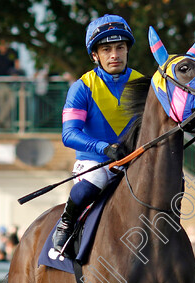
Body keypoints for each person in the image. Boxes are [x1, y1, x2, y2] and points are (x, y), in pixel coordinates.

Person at [53, 14, 142, 254]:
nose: (114, 55)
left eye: (120, 47)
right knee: (94, 183)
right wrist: (104, 148)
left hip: (133, 161)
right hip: (95, 162)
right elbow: (69, 134)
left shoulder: (143, 84)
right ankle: (66, 222)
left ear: (126, 50)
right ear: (95, 55)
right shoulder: (81, 87)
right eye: (106, 49)